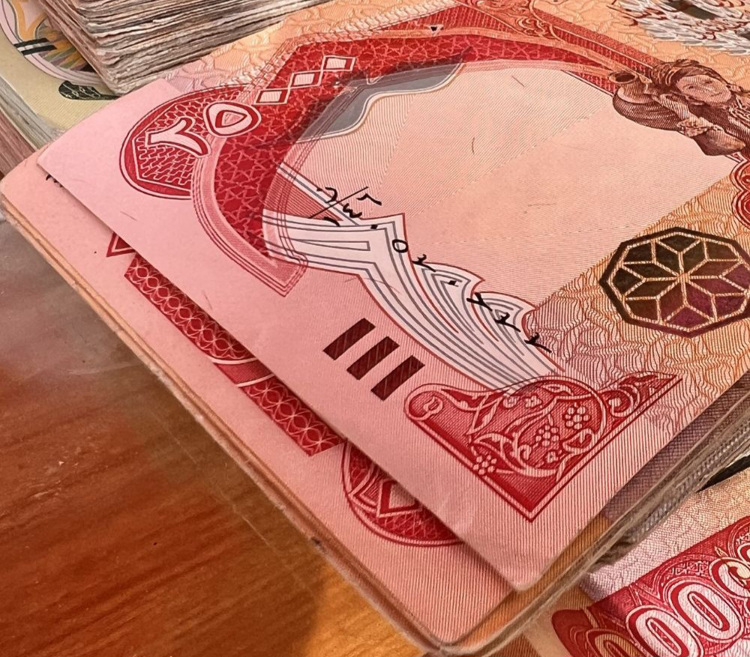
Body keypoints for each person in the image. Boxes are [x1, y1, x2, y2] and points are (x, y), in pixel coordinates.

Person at [612, 59, 750, 156]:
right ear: (691, 98)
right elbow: (733, 145)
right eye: (692, 88)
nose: (709, 89)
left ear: (720, 81)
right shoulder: (715, 119)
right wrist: (682, 111)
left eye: (708, 82)